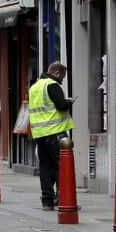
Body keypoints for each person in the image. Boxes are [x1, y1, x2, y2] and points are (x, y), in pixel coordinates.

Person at [28, 62, 75, 211]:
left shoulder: (34, 87)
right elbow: (60, 105)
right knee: (62, 166)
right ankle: (63, 199)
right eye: (62, 76)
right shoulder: (52, 85)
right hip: (55, 132)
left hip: (39, 134)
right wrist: (69, 102)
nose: (62, 79)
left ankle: (47, 201)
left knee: (45, 168)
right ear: (56, 73)